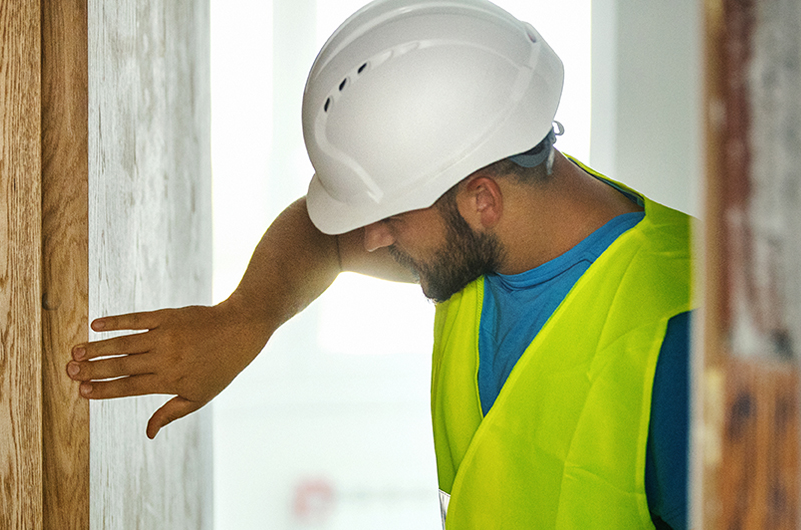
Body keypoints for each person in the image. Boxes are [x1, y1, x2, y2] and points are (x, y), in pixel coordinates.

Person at [65, 0, 694, 528]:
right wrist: (243, 318)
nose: (372, 239)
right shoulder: (495, 231)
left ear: (482, 200)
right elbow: (325, 240)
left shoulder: (682, 349)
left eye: (389, 216)